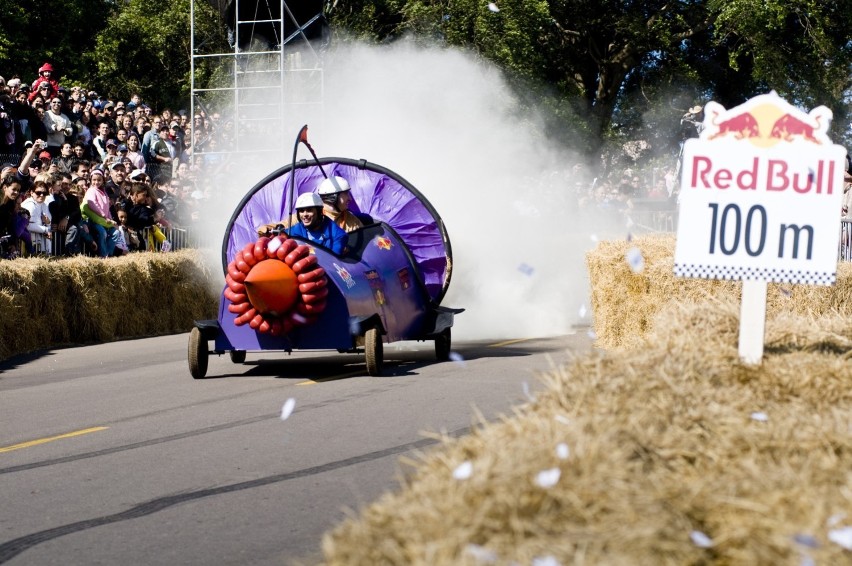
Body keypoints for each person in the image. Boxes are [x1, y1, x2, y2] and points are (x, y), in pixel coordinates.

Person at [81, 169, 119, 257]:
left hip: (104, 220)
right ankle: (103, 255)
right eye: (94, 180)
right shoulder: (91, 191)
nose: (96, 182)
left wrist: (109, 218)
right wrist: (103, 215)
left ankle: (109, 253)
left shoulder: (104, 192)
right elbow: (92, 204)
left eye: (99, 180)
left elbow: (107, 208)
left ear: (103, 181)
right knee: (102, 233)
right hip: (94, 220)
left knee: (116, 233)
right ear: (90, 180)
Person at [20, 181, 52, 254]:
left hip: (41, 243)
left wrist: (48, 222)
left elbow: (49, 223)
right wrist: (45, 229)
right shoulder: (29, 205)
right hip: (28, 243)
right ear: (31, 193)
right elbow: (27, 225)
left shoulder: (44, 205)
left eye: (44, 193)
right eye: (38, 193)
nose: (41, 195)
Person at [0, 176, 22, 257]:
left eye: (18, 190)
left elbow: (10, 225)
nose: (16, 192)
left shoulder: (11, 204)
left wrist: (12, 243)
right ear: (5, 187)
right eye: (14, 189)